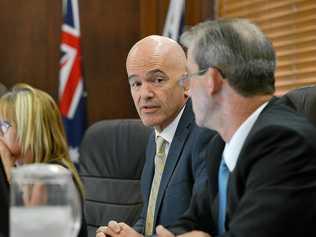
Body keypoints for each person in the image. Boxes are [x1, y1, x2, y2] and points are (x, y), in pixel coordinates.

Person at [154, 18, 316, 237]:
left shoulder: (285, 144)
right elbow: (193, 221)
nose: (187, 90)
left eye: (188, 78)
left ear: (212, 80)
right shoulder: (218, 145)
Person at [96, 35, 216, 237]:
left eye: (157, 80)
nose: (144, 94)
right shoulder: (156, 136)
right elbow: (151, 215)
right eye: (136, 83)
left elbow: (201, 225)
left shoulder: (205, 132)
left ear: (186, 83)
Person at [0, 83, 87, 237]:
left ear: (29, 130)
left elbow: (25, 232)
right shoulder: (27, 170)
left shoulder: (51, 178)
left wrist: (8, 170)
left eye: (4, 125)